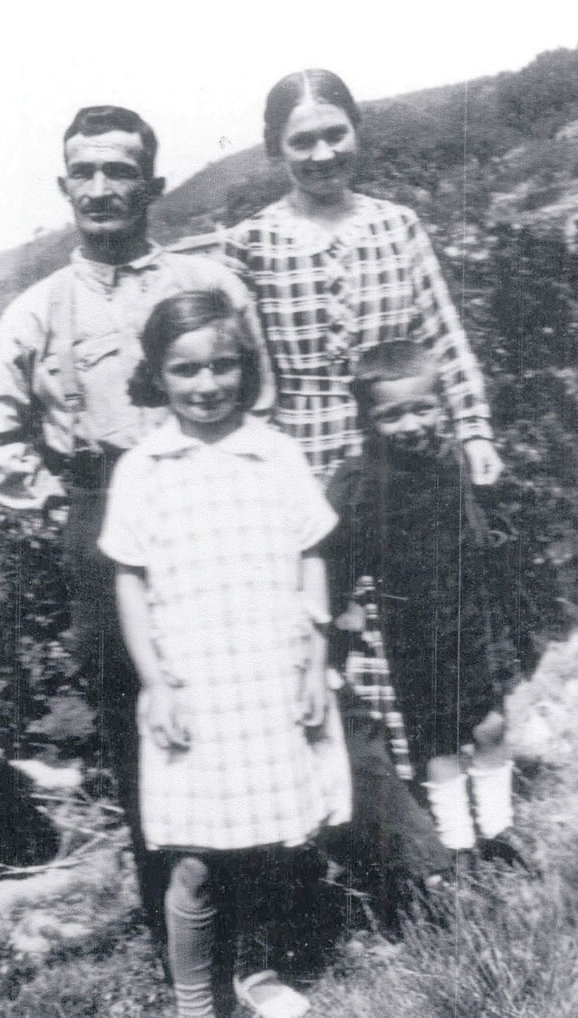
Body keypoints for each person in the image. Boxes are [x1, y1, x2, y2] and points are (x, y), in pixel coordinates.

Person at [0, 105, 274, 936]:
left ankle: (274, 920)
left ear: (153, 184)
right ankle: (180, 928)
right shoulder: (37, 309)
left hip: (216, 508)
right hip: (103, 517)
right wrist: (65, 504)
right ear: (65, 186)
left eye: (120, 170)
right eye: (86, 173)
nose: (102, 188)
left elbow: (263, 396)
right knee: (143, 724)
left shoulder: (206, 285)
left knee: (242, 701)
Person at [98, 289, 351, 1018]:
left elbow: (311, 555)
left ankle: (257, 970)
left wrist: (313, 661)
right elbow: (130, 582)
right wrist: (156, 682)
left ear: (246, 366)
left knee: (274, 841)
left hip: (270, 674)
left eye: (223, 366)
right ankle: (192, 999)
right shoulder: (145, 467)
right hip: (194, 684)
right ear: (157, 375)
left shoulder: (274, 452)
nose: (207, 385)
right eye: (186, 370)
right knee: (197, 858)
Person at [223, 68, 502, 487]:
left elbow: (444, 338)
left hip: (402, 462)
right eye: (302, 141)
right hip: (297, 471)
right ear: (276, 148)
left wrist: (474, 430)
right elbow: (236, 374)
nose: (323, 155)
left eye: (335, 134)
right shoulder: (249, 243)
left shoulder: (396, 224)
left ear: (356, 131)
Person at [326, 341, 516, 856]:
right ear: (367, 420)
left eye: (422, 409)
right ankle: (459, 844)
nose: (410, 425)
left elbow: (484, 536)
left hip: (473, 620)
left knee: (492, 723)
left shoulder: (455, 462)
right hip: (414, 635)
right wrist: (341, 621)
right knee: (438, 741)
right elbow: (337, 560)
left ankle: (498, 833)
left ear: (443, 406)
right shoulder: (359, 483)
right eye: (391, 416)